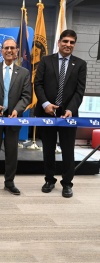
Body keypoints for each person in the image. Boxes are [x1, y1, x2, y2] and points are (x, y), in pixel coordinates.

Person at [34, 29, 87, 198]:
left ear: (74, 45)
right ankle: (49, 180)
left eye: (72, 42)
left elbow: (80, 91)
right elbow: (38, 84)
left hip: (68, 116)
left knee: (68, 150)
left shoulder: (80, 64)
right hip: (47, 113)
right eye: (65, 41)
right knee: (48, 149)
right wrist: (45, 104)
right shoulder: (45, 60)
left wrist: (71, 109)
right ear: (59, 42)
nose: (68, 45)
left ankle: (67, 183)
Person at [0, 38, 31, 196]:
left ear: (17, 51)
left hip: (13, 118)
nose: (9, 50)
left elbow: (26, 96)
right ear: (1, 51)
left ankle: (9, 182)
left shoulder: (24, 73)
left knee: (12, 153)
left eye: (12, 48)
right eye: (6, 48)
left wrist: (17, 110)